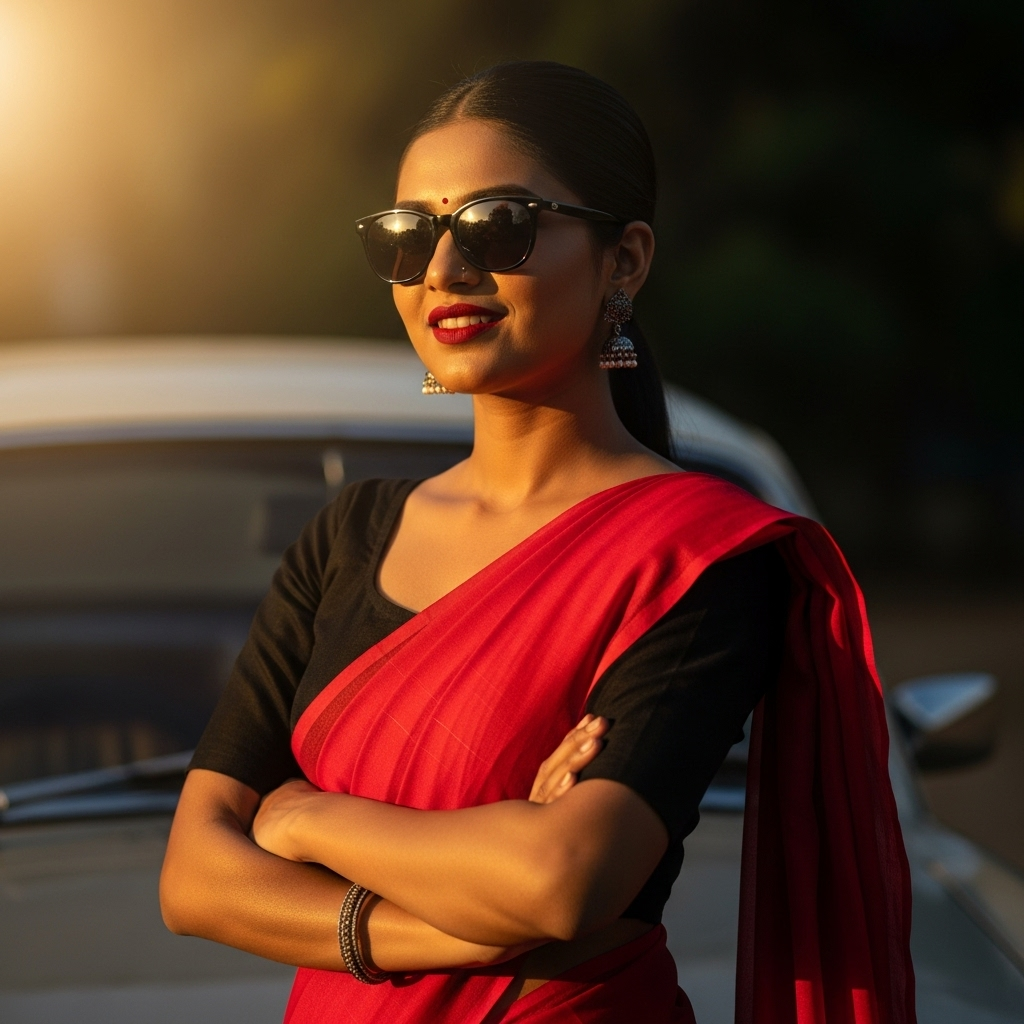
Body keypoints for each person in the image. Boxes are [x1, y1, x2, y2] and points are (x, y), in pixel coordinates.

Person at [160, 61, 915, 1024]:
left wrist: (305, 815)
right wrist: (449, 923)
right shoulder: (349, 535)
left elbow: (565, 879)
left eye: (497, 225)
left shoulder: (699, 557)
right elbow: (194, 877)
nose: (444, 270)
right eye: (410, 235)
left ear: (625, 261)